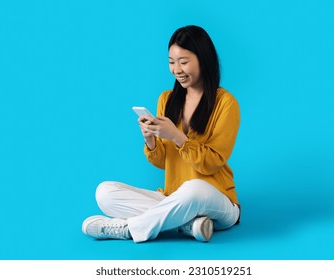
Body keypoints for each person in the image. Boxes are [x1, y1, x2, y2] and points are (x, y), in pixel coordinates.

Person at [82, 25, 241, 243]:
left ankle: (128, 229)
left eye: (184, 62)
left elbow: (212, 163)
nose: (176, 69)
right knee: (105, 192)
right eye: (171, 62)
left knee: (193, 188)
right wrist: (150, 141)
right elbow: (165, 163)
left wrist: (177, 136)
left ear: (204, 59)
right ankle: (187, 225)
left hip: (217, 200)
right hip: (174, 198)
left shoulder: (226, 103)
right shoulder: (167, 99)